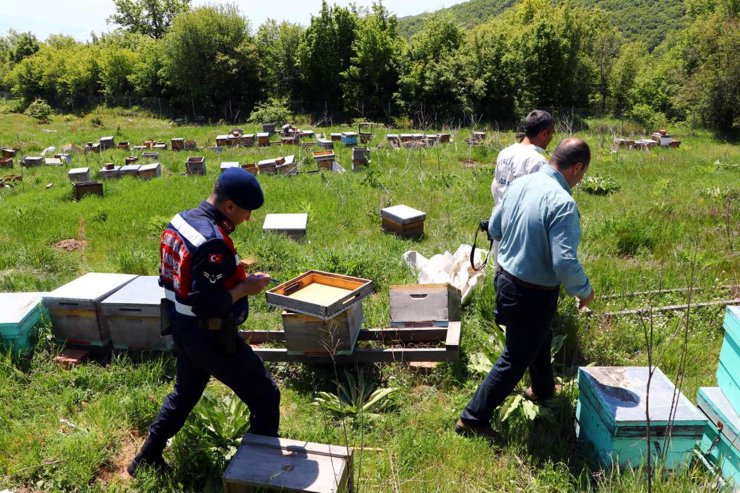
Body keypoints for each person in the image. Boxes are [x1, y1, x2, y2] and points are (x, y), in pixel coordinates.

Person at [128, 168, 280, 476]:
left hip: (180, 328)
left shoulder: (181, 220)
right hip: (207, 335)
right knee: (266, 396)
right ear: (229, 206)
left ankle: (146, 457)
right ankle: (259, 473)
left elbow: (184, 278)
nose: (248, 219)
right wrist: (244, 288)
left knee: (185, 393)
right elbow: (206, 304)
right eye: (247, 212)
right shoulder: (212, 243)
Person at [457, 137, 595, 440]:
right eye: (583, 173)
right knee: (515, 357)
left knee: (540, 336)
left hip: (505, 281)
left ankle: (543, 390)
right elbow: (564, 263)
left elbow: (495, 227)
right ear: (577, 168)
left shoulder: (521, 183)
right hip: (532, 293)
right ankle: (473, 418)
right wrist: (584, 290)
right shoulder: (562, 203)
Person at [491, 110, 555, 256]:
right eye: (552, 134)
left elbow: (497, 185)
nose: (552, 138)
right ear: (544, 134)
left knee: (500, 272)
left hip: (499, 221)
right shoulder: (536, 161)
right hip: (519, 231)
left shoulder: (505, 152)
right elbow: (537, 203)